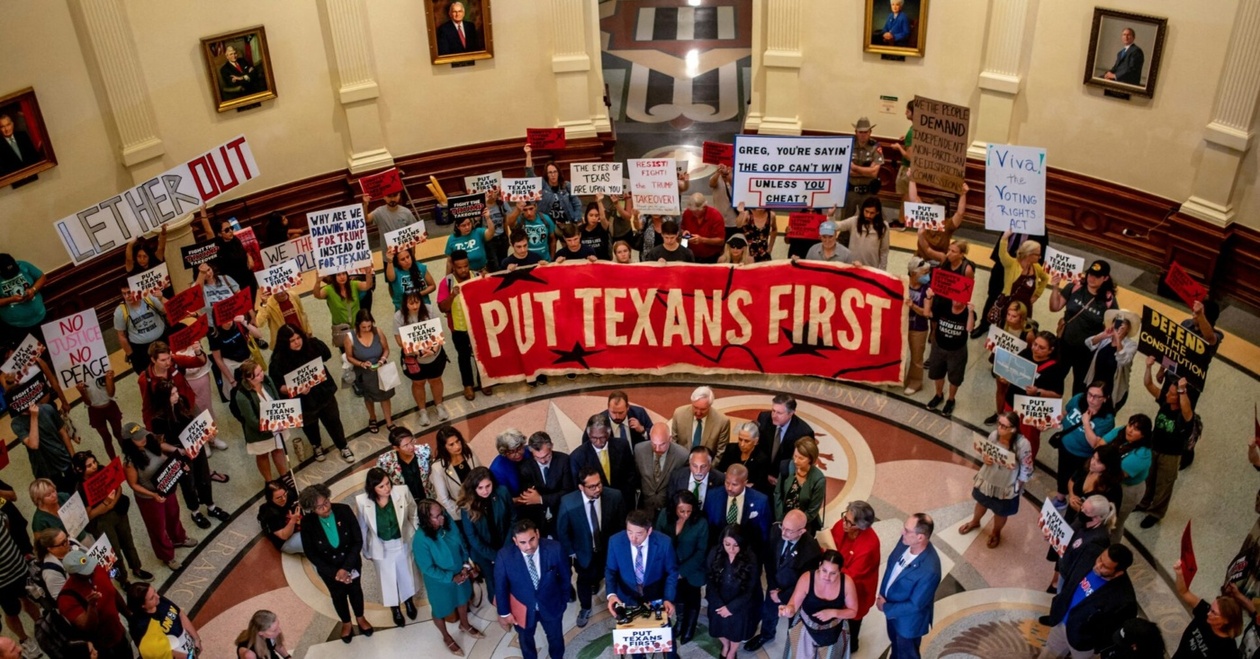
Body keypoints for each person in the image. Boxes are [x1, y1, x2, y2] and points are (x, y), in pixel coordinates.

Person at [149, 379, 229, 530]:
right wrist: (179, 451)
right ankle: (195, 511)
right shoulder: (158, 419)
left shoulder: (182, 403)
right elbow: (160, 443)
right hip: (179, 452)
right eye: (172, 394)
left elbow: (194, 422)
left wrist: (207, 433)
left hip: (195, 446)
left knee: (204, 477)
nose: (177, 396)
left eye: (176, 392)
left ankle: (211, 506)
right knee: (188, 484)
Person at [299, 483, 373, 643]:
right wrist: (335, 573)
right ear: (312, 509)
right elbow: (311, 553)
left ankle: (360, 618)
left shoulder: (344, 510)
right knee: (338, 596)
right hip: (329, 570)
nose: (325, 508)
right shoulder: (307, 523)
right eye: (319, 507)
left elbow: (357, 540)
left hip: (350, 563)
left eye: (326, 502)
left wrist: (346, 568)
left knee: (355, 591)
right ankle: (346, 623)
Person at [1038, 544, 1137, 659]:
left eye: (1105, 567)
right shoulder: (1090, 552)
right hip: (1060, 619)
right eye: (1100, 559)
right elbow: (1070, 576)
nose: (1097, 565)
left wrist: (1093, 644)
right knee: (1050, 650)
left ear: (1118, 573)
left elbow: (1110, 633)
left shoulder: (1124, 600)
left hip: (1081, 641)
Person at [270, 323, 351, 462]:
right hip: (302, 400)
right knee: (309, 425)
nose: (296, 343)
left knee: (333, 420)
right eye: (292, 341)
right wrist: (295, 388)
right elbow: (278, 386)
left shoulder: (311, 345)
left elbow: (327, 354)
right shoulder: (278, 360)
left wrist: (313, 340)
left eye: (298, 338)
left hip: (323, 392)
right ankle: (316, 446)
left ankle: (343, 446)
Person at [120, 422, 195, 569]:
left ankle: (179, 538)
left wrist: (179, 461)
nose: (143, 439)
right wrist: (153, 495)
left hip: (167, 488)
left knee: (174, 515)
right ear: (129, 442)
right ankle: (167, 556)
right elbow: (133, 485)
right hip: (149, 499)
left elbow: (165, 455)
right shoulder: (130, 462)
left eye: (143, 435)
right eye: (138, 438)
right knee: (158, 528)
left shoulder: (151, 445)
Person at [556, 466, 624, 627]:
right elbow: (562, 531)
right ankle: (585, 608)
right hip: (584, 552)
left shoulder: (614, 496)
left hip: (609, 550)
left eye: (599, 484)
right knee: (584, 581)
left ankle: (618, 608)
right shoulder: (568, 502)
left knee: (614, 578)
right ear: (581, 487)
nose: (597, 489)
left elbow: (621, 525)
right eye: (592, 486)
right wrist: (572, 552)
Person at [413, 497, 481, 654]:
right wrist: (451, 577)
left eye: (441, 513)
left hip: (460, 572)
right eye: (437, 517)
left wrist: (465, 565)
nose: (442, 517)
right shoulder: (420, 540)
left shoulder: (447, 522)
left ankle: (464, 624)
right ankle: (446, 637)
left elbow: (461, 542)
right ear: (426, 519)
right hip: (440, 582)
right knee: (440, 610)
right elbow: (427, 568)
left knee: (463, 599)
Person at [495, 519, 570, 659]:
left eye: (532, 539)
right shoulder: (504, 557)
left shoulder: (555, 548)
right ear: (515, 541)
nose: (529, 546)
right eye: (522, 542)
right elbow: (501, 587)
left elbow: (566, 576)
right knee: (526, 641)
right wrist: (504, 613)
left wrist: (563, 600)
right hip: (522, 610)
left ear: (537, 534)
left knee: (556, 639)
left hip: (551, 605)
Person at [746, 509, 820, 652]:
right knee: (768, 612)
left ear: (801, 531)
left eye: (789, 531)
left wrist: (781, 596)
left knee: (794, 622)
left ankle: (793, 646)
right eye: (783, 527)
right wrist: (773, 588)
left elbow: (805, 582)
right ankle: (766, 634)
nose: (783, 533)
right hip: (774, 585)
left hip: (794, 594)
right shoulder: (776, 530)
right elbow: (769, 560)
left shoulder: (811, 551)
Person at [958, 412, 1034, 549]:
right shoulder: (994, 435)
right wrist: (985, 458)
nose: (999, 428)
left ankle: (996, 532)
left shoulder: (1023, 444)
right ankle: (975, 521)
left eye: (1004, 426)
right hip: (988, 477)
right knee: (981, 502)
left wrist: (1018, 485)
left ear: (1014, 429)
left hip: (1007, 483)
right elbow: (986, 451)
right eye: (999, 424)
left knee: (1001, 511)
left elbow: (1027, 467)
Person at [72, 452, 152, 581]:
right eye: (89, 465)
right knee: (114, 552)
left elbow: (118, 487)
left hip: (119, 512)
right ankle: (123, 579)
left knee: (128, 542)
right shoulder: (81, 488)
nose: (94, 466)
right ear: (80, 469)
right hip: (102, 522)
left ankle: (136, 568)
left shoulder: (103, 470)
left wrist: (112, 503)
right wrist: (105, 505)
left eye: (94, 462)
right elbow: (88, 515)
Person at [356, 467, 419, 628]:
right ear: (372, 488)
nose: (387, 488)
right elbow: (363, 528)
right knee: (387, 580)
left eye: (387, 483)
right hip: (381, 546)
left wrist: (415, 532)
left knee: (406, 574)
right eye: (381, 487)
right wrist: (365, 549)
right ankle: (395, 608)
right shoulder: (363, 502)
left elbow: (413, 511)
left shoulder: (402, 491)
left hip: (402, 541)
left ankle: (409, 601)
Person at [1137, 356, 1196, 528]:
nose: (1167, 394)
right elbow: (1149, 385)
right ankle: (1144, 502)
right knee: (1149, 478)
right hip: (1154, 447)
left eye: (1171, 393)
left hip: (1171, 455)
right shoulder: (1165, 402)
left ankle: (1156, 512)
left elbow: (1187, 410)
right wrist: (1148, 367)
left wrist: (1182, 391)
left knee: (1164, 484)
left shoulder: (1184, 415)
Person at [878, 513, 942, 659]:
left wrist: (885, 607)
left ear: (920, 537)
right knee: (895, 646)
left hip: (908, 624)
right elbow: (891, 567)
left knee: (907, 654)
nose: (902, 532)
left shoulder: (930, 570)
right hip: (892, 610)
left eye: (907, 530)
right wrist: (883, 595)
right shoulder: (906, 541)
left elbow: (915, 605)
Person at [1049, 261, 1118, 396]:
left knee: (1080, 387)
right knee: (1054, 379)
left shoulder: (1108, 300)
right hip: (1064, 344)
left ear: (1105, 278)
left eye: (1097, 276)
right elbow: (1054, 307)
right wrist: (1055, 288)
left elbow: (1115, 326)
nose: (1091, 279)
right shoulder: (1074, 288)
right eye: (1090, 274)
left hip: (1086, 353)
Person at [778, 549, 859, 659]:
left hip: (833, 631)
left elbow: (853, 612)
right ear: (819, 565)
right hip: (806, 628)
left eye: (833, 573)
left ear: (840, 571)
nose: (827, 576)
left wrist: (833, 612)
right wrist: (788, 610)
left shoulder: (847, 583)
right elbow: (793, 606)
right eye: (824, 570)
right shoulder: (807, 578)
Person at [1002, 331, 1069, 458]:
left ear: (1051, 350)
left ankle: (1027, 462)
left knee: (1028, 440)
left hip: (1030, 410)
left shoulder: (1055, 369)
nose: (1035, 349)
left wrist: (1038, 391)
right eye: (1035, 344)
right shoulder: (1025, 353)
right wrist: (1006, 378)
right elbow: (1012, 371)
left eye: (1041, 347)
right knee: (1007, 432)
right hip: (1011, 402)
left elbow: (1058, 395)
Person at [974, 228, 1050, 338]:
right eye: (1037, 255)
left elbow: (1045, 277)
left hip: (1024, 301)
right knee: (993, 296)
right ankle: (984, 325)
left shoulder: (1039, 228)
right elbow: (1002, 253)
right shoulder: (1012, 263)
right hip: (1003, 270)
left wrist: (1037, 294)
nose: (1040, 256)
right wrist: (1005, 237)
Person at [438, 249, 492, 400]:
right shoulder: (447, 282)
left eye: (465, 266)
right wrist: (452, 295)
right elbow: (442, 307)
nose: (463, 270)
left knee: (481, 354)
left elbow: (489, 296)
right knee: (463, 356)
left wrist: (486, 280)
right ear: (453, 267)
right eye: (459, 267)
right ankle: (467, 385)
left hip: (477, 325)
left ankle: (484, 380)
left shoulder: (476, 277)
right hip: (458, 327)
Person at [1052, 381, 1117, 507]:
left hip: (1083, 455)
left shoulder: (1107, 419)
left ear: (1105, 399)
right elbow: (1065, 412)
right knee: (1063, 473)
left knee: (1076, 479)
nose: (1091, 400)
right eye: (1089, 394)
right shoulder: (1078, 399)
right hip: (1065, 446)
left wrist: (1086, 423)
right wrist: (1049, 422)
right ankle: (1060, 498)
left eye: (1097, 397)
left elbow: (1095, 444)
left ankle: (1073, 500)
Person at [605, 509, 679, 619]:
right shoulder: (615, 541)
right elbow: (610, 570)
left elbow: (672, 572)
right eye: (629, 532)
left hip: (655, 595)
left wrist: (668, 598)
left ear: (649, 531)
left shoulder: (664, 543)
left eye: (639, 534)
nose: (633, 538)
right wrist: (611, 594)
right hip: (626, 595)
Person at [58, 549, 131, 658]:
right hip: (101, 649)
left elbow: (112, 592)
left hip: (119, 633)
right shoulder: (66, 598)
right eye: (85, 571)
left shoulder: (97, 568)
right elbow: (87, 627)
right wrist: (91, 606)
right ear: (72, 574)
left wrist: (129, 615)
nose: (91, 571)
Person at [655, 491, 707, 644]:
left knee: (692, 598)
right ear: (674, 508)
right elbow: (657, 539)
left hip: (692, 570)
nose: (685, 515)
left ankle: (689, 627)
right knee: (676, 597)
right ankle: (680, 622)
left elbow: (701, 551)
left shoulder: (701, 522)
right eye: (681, 511)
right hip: (669, 567)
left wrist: (681, 572)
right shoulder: (665, 515)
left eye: (689, 511)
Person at [829, 500, 880, 652]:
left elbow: (853, 575)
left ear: (861, 526)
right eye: (845, 517)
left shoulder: (869, 545)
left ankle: (852, 644)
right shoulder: (843, 524)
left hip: (857, 589)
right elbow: (830, 540)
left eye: (849, 522)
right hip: (837, 578)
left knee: (853, 620)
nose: (844, 523)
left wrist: (830, 565)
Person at [394, 291, 450, 426]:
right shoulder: (398, 316)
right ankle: (422, 411)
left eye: (417, 302)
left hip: (434, 355)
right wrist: (416, 351)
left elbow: (438, 332)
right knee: (418, 383)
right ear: (405, 303)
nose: (415, 306)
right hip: (414, 358)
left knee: (435, 380)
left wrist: (434, 348)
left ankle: (439, 405)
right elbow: (399, 340)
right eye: (411, 303)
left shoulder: (429, 310)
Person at [706, 525, 762, 658]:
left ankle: (732, 651)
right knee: (717, 628)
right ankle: (725, 645)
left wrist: (731, 608)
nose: (731, 549)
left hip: (741, 602)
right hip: (718, 599)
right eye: (727, 544)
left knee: (736, 631)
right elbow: (710, 580)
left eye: (736, 545)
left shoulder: (751, 557)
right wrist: (719, 605)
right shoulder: (715, 552)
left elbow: (750, 588)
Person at [458, 467, 514, 596]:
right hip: (484, 554)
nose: (485, 491)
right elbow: (472, 537)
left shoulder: (502, 492)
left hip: (507, 544)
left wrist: (506, 548)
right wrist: (494, 556)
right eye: (480, 488)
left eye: (488, 486)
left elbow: (513, 519)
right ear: (473, 488)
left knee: (512, 578)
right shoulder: (467, 506)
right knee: (494, 583)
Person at [1097, 414, 1154, 541]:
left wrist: (1100, 463)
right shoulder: (1121, 431)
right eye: (1130, 425)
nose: (1130, 430)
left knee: (1114, 522)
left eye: (1136, 429)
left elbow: (1117, 475)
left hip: (1127, 489)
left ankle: (1111, 548)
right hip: (1106, 478)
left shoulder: (1142, 454)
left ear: (1144, 435)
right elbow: (1099, 445)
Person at [233, 359, 292, 481]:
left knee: (278, 449)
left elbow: (276, 400)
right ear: (249, 378)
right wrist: (271, 427)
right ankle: (269, 481)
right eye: (258, 374)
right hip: (259, 432)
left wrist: (282, 419)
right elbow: (252, 420)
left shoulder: (267, 381)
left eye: (261, 371)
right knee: (263, 455)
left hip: (276, 424)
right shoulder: (242, 395)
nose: (262, 375)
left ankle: (284, 476)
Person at [1046, 495, 1115, 595]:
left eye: (1086, 511)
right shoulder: (1082, 519)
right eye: (1082, 507)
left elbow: (1084, 566)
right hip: (1064, 566)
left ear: (1097, 518)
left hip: (1071, 576)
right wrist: (1053, 536)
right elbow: (1068, 534)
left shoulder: (1098, 540)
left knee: (1063, 595)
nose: (1081, 511)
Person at [923, 288, 974, 418]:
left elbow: (969, 328)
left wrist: (971, 312)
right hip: (939, 346)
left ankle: (951, 400)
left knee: (955, 378)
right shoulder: (943, 306)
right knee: (937, 373)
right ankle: (938, 395)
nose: (956, 302)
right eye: (954, 298)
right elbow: (926, 313)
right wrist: (929, 298)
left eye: (960, 299)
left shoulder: (968, 312)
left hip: (957, 350)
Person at [345, 309, 396, 433]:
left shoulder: (378, 331)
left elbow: (386, 349)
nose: (367, 329)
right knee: (368, 397)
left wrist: (382, 360)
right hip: (364, 372)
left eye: (369, 326)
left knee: (385, 396)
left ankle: (389, 421)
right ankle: (372, 417)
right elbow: (349, 357)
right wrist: (361, 363)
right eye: (364, 327)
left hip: (380, 369)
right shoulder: (350, 337)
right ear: (358, 325)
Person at [703, 464, 770, 556]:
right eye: (727, 483)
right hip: (718, 552)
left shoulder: (760, 501)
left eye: (735, 484)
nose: (729, 488)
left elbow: (764, 534)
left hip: (746, 553)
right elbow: (707, 528)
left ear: (745, 482)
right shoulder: (712, 496)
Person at [311, 267, 374, 361]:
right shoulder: (329, 289)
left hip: (357, 327)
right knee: (348, 357)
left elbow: (367, 286)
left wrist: (368, 274)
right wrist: (317, 282)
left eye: (344, 274)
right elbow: (317, 295)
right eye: (338, 275)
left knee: (363, 353)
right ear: (334, 277)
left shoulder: (353, 284)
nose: (342, 277)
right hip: (342, 331)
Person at [516, 431, 572, 536]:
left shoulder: (564, 460)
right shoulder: (525, 468)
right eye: (538, 457)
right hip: (539, 520)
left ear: (551, 447)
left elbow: (567, 492)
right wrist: (549, 497)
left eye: (546, 456)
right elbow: (529, 498)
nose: (543, 461)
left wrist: (541, 499)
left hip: (561, 514)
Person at [12, 402, 77, 493]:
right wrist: (34, 416)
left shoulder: (47, 409)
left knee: (76, 492)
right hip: (44, 470)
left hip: (63, 460)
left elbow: (64, 434)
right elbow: (33, 444)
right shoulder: (17, 423)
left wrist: (74, 459)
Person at [126, 582, 202, 659]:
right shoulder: (142, 627)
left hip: (187, 647)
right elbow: (164, 653)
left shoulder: (159, 601)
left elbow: (180, 614)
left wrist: (196, 639)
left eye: (155, 591)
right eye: (152, 598)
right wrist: (189, 657)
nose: (158, 596)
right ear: (142, 605)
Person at [571, 419, 639, 504]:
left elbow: (631, 474)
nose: (598, 442)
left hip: (623, 500)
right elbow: (578, 487)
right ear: (589, 435)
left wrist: (624, 496)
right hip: (597, 503)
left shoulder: (622, 445)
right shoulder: (577, 456)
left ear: (608, 433)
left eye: (602, 437)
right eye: (594, 438)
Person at [0, 513, 39, 658]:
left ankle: (43, 626)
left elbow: (5, 520)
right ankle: (24, 639)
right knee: (11, 611)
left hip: (18, 566)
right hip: (2, 582)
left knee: (29, 598)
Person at [1085, 309, 1140, 411]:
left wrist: (1118, 339)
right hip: (1095, 387)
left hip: (1113, 390)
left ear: (1128, 328)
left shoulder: (1131, 345)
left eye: (1123, 323)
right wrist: (1103, 335)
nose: (1119, 325)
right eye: (1117, 322)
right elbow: (1088, 343)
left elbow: (1123, 360)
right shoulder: (1106, 337)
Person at [208, 312, 265, 402]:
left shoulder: (239, 324)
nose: (228, 322)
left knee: (256, 384)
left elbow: (259, 335)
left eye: (230, 318)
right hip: (231, 364)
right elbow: (218, 359)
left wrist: (244, 323)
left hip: (248, 360)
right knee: (239, 393)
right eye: (224, 320)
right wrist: (231, 380)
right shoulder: (214, 335)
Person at [637, 424, 690, 518]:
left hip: (667, 509)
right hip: (645, 507)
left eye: (662, 444)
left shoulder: (682, 455)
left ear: (670, 439)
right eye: (654, 444)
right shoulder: (639, 450)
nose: (657, 449)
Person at [201, 214, 257, 301]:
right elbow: (208, 231)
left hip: (249, 278)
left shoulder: (235, 239)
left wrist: (248, 256)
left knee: (252, 305)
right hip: (235, 284)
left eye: (231, 228)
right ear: (219, 233)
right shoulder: (217, 246)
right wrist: (203, 213)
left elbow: (243, 251)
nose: (231, 231)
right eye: (227, 230)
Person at [114, 286, 168, 374]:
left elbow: (168, 311)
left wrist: (161, 298)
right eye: (124, 294)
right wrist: (131, 355)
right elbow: (121, 335)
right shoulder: (120, 311)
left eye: (129, 292)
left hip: (162, 340)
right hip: (141, 350)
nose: (127, 296)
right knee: (149, 375)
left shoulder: (150, 298)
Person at [522, 146, 583, 224]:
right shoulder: (542, 185)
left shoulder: (567, 185)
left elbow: (577, 204)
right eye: (550, 172)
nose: (553, 175)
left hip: (567, 223)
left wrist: (577, 220)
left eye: (555, 172)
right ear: (546, 174)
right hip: (547, 224)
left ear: (558, 172)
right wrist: (528, 154)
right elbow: (530, 175)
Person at [0, 253, 48, 348]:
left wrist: (33, 290)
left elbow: (42, 277)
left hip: (40, 317)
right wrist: (11, 299)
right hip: (17, 327)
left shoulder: (23, 265)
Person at [431, 425, 480, 517]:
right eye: (451, 444)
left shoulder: (469, 450)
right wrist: (463, 513)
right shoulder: (438, 467)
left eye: (458, 441)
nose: (457, 446)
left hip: (482, 501)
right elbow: (444, 500)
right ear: (444, 447)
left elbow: (481, 474)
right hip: (462, 511)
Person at [376, 425, 434, 503]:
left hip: (427, 497)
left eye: (412, 441)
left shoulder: (425, 451)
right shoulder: (385, 461)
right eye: (406, 445)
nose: (411, 447)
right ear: (396, 448)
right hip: (403, 501)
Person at [843, 117, 886, 219]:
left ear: (870, 132)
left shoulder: (875, 147)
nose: (863, 135)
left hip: (868, 191)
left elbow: (874, 173)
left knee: (869, 221)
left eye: (865, 132)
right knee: (846, 220)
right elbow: (845, 170)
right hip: (851, 190)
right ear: (856, 132)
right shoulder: (848, 145)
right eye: (860, 132)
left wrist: (854, 168)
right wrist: (866, 171)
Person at [77, 369, 123, 460]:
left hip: (110, 406)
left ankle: (130, 455)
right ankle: (115, 464)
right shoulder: (80, 376)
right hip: (95, 411)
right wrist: (81, 392)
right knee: (106, 438)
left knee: (119, 433)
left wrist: (109, 378)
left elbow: (111, 393)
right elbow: (88, 403)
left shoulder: (103, 369)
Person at [671, 385, 731, 456]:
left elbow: (721, 453)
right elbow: (674, 444)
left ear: (710, 406)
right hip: (682, 462)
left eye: (703, 409)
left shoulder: (722, 422)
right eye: (695, 407)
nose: (698, 412)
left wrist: (707, 467)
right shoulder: (679, 414)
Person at [717, 422, 771, 495]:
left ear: (756, 441)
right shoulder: (731, 449)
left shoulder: (761, 459)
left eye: (746, 441)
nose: (742, 444)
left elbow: (759, 485)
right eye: (740, 439)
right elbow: (721, 471)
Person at [585, 390, 654, 446]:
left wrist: (642, 430)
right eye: (613, 412)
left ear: (627, 408)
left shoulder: (639, 414)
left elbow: (655, 436)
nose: (617, 416)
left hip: (637, 459)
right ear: (608, 408)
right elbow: (586, 444)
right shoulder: (599, 421)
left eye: (621, 413)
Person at [904, 257, 931, 395]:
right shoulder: (902, 283)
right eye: (924, 273)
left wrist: (912, 306)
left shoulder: (928, 289)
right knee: (899, 354)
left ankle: (915, 382)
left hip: (918, 327)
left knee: (916, 357)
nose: (927, 276)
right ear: (914, 273)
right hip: (902, 325)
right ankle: (898, 377)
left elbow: (927, 313)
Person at [257, 480, 303, 554]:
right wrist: (292, 521)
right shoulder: (270, 513)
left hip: (299, 528)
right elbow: (284, 536)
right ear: (271, 499)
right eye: (279, 498)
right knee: (311, 542)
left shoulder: (289, 495)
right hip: (286, 541)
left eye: (285, 494)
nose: (284, 499)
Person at [680, 193, 726, 263]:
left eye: (697, 211)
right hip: (691, 255)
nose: (694, 214)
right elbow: (682, 229)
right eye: (692, 211)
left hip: (711, 258)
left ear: (704, 207)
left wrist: (702, 240)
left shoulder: (715, 216)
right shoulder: (687, 213)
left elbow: (721, 241)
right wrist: (685, 235)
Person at [490, 428, 529, 497]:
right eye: (511, 452)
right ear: (504, 452)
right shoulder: (497, 470)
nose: (517, 454)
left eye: (519, 448)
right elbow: (503, 499)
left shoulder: (529, 452)